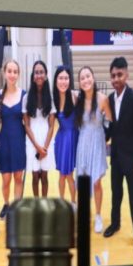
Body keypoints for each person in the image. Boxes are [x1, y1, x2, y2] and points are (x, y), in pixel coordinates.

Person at [104, 56, 133, 256]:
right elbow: (110, 130)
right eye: (113, 75)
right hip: (115, 157)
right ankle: (115, 224)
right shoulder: (109, 100)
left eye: (119, 74)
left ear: (127, 74)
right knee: (116, 194)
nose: (116, 79)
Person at [73, 65, 114, 233]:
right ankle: (84, 214)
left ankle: (98, 215)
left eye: (88, 76)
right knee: (83, 182)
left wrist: (105, 139)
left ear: (93, 77)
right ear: (80, 82)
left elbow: (110, 122)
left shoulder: (103, 99)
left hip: (97, 142)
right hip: (83, 142)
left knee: (96, 182)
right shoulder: (77, 99)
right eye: (82, 78)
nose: (85, 80)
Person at [0, 59, 28, 218]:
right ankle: (6, 204)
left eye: (15, 71)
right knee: (6, 179)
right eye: (10, 71)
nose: (12, 74)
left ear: (18, 74)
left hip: (18, 142)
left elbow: (28, 122)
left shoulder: (24, 95)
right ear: (4, 72)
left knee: (18, 177)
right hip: (4, 142)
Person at [23, 60, 56, 198]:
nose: (39, 75)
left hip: (46, 141)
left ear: (46, 75)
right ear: (33, 76)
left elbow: (51, 126)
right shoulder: (26, 98)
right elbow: (27, 125)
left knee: (44, 176)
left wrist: (45, 148)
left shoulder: (51, 98)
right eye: (36, 72)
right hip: (32, 141)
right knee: (35, 176)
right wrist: (37, 147)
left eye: (41, 72)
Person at [52, 66, 78, 202]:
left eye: (66, 78)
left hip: (72, 138)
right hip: (61, 139)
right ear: (56, 81)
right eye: (61, 78)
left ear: (69, 80)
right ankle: (62, 202)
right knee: (61, 174)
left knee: (68, 175)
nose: (63, 81)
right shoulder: (53, 99)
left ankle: (73, 202)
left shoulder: (74, 96)